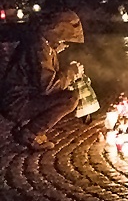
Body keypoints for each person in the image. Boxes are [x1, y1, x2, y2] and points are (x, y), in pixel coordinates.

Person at [0, 11, 84, 149]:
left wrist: (55, 50)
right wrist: (72, 73)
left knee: (65, 92)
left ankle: (26, 126)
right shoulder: (39, 48)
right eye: (63, 39)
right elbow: (48, 86)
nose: (65, 43)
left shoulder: (41, 43)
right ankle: (30, 133)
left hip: (18, 98)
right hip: (17, 102)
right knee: (70, 98)